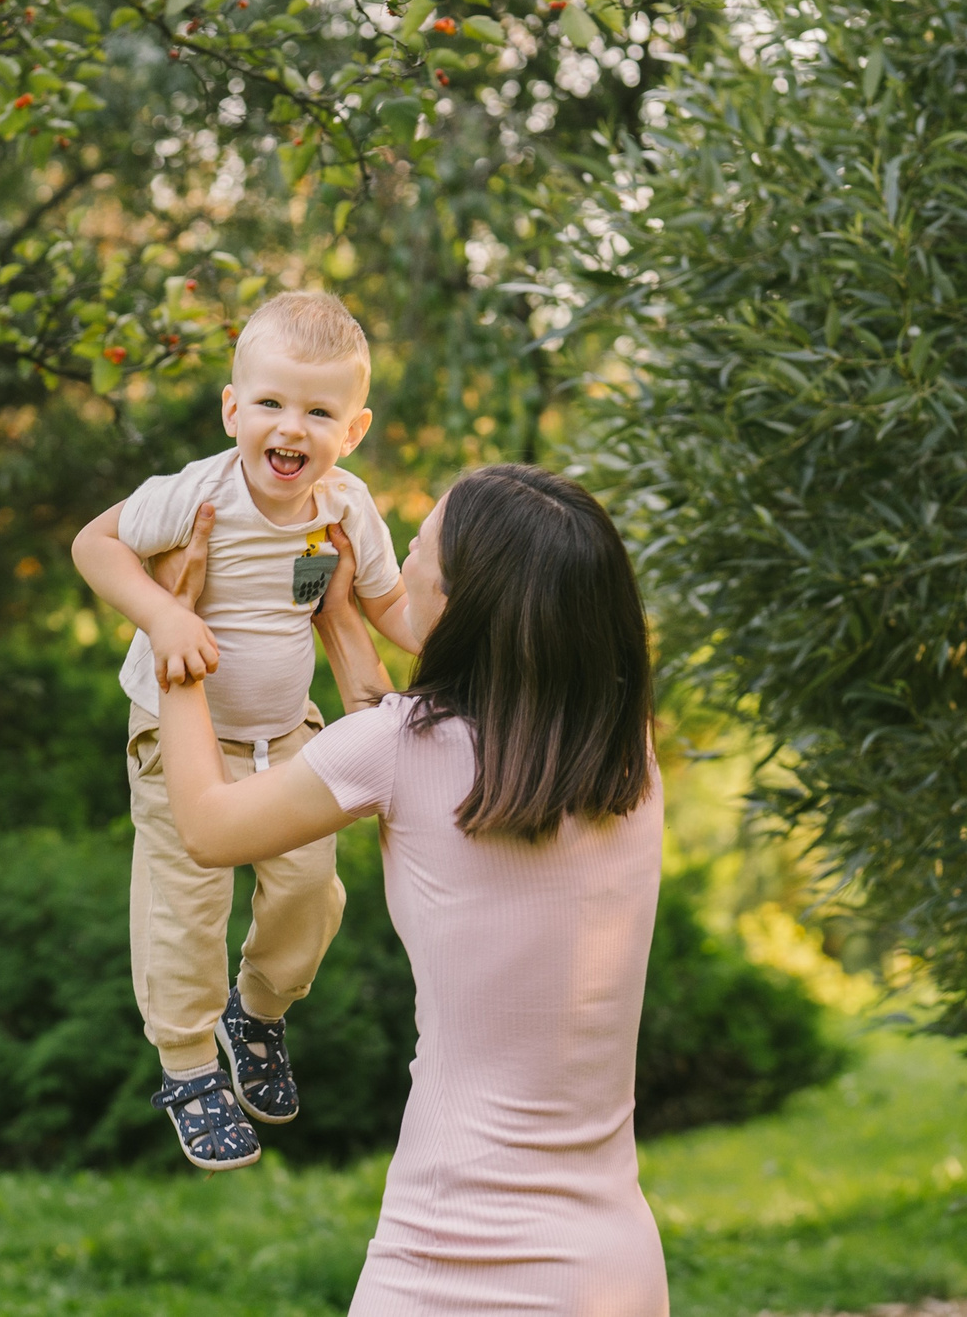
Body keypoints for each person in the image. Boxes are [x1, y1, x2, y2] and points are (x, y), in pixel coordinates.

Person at [152, 463, 668, 1315]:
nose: (407, 558)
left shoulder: (396, 752)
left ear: (465, 600)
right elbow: (414, 730)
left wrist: (176, 638)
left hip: (449, 1256)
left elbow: (208, 827)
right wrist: (338, 613)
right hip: (611, 1269)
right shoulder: (625, 761)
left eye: (422, 546)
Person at [70, 291, 420, 1170]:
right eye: (268, 403)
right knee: (186, 906)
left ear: (356, 427)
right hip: (179, 733)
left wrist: (471, 642)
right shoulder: (200, 491)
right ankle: (188, 1065)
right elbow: (92, 546)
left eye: (317, 410)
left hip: (286, 730)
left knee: (311, 889)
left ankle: (257, 1008)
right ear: (232, 408)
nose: (289, 427)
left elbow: (387, 605)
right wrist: (160, 615)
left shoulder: (346, 508)